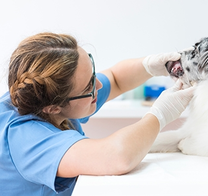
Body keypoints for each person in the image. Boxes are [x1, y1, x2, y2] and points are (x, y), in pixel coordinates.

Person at [0, 32, 195, 196]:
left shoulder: (40, 94)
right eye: (89, 85)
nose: (99, 86)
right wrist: (160, 114)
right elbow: (118, 156)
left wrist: (149, 66)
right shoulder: (26, 139)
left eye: (92, 75)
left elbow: (115, 78)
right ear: (53, 108)